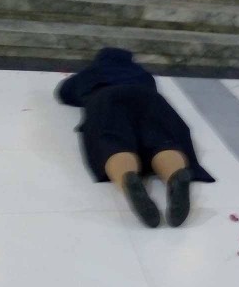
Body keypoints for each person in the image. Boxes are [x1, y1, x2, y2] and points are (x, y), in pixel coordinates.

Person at [56, 47, 214, 228]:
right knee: (162, 138)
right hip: (149, 98)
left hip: (105, 98)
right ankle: (175, 176)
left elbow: (63, 93)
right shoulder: (143, 74)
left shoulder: (90, 73)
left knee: (111, 140)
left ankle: (128, 179)